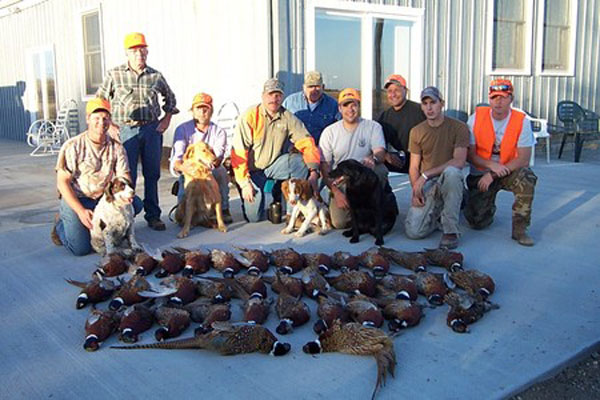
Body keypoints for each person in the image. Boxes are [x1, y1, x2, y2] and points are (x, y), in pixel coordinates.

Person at [97, 32, 178, 231]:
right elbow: (100, 101)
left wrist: (166, 119)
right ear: (127, 53)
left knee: (152, 174)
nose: (139, 54)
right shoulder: (114, 75)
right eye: (134, 51)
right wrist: (111, 126)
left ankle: (153, 215)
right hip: (126, 131)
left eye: (142, 50)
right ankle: (127, 216)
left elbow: (171, 99)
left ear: (147, 52)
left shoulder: (155, 76)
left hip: (151, 129)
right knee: (127, 177)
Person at [51, 98, 142, 256]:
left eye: (105, 118)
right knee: (81, 249)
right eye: (96, 118)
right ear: (88, 119)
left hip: (102, 199)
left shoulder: (117, 147)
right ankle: (61, 225)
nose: (101, 122)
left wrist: (123, 196)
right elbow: (62, 183)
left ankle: (93, 223)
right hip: (78, 198)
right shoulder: (73, 146)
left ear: (110, 120)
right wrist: (80, 211)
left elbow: (125, 176)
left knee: (136, 205)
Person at [230, 78, 320, 222]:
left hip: (273, 165)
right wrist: (244, 183)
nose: (274, 99)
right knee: (254, 218)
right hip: (251, 170)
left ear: (282, 97)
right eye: (270, 94)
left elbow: (307, 141)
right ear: (263, 96)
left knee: (301, 162)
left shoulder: (287, 116)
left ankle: (293, 214)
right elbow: (238, 153)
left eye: (278, 95)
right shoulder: (250, 116)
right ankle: (251, 195)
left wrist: (314, 171)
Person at [464, 79, 537, 246]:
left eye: (503, 97)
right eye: (494, 97)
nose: (498, 101)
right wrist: (490, 166)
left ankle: (520, 229)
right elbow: (470, 155)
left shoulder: (522, 121)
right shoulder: (475, 118)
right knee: (476, 222)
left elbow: (524, 159)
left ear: (511, 99)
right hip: (480, 174)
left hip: (507, 171)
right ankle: (471, 200)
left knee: (527, 178)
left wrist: (494, 173)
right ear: (489, 99)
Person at [404, 86, 469, 249]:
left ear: (442, 104)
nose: (429, 107)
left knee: (453, 173)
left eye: (433, 102)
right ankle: (442, 209)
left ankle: (450, 230)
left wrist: (426, 174)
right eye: (425, 103)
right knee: (414, 232)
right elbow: (413, 167)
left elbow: (459, 161)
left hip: (448, 180)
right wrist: (415, 191)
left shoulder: (459, 127)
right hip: (429, 185)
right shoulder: (417, 132)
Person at [319, 88, 389, 229]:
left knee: (381, 170)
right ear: (339, 108)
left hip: (365, 178)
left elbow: (380, 152)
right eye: (345, 105)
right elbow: (324, 166)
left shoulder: (373, 127)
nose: (350, 109)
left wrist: (373, 159)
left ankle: (379, 204)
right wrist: (336, 192)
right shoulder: (329, 132)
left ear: (359, 106)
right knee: (339, 223)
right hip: (343, 180)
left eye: (354, 105)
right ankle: (357, 211)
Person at [170, 92, 232, 223]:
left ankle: (223, 208)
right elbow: (177, 160)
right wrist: (184, 168)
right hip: (189, 171)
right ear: (192, 111)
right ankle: (184, 193)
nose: (202, 111)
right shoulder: (182, 129)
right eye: (198, 108)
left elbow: (217, 158)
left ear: (211, 111)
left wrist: (205, 166)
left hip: (209, 171)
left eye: (206, 108)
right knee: (181, 218)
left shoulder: (219, 132)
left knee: (220, 171)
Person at [377, 74, 426, 173]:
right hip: (394, 172)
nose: (393, 94)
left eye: (397, 90)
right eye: (390, 91)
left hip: (420, 170)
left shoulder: (420, 111)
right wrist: (386, 155)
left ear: (406, 91)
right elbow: (377, 143)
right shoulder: (384, 116)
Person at [281, 70, 340, 145]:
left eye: (317, 86)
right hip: (295, 151)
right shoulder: (290, 102)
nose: (314, 90)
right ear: (304, 87)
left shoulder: (333, 105)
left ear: (323, 87)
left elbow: (340, 129)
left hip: (322, 151)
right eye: (310, 86)